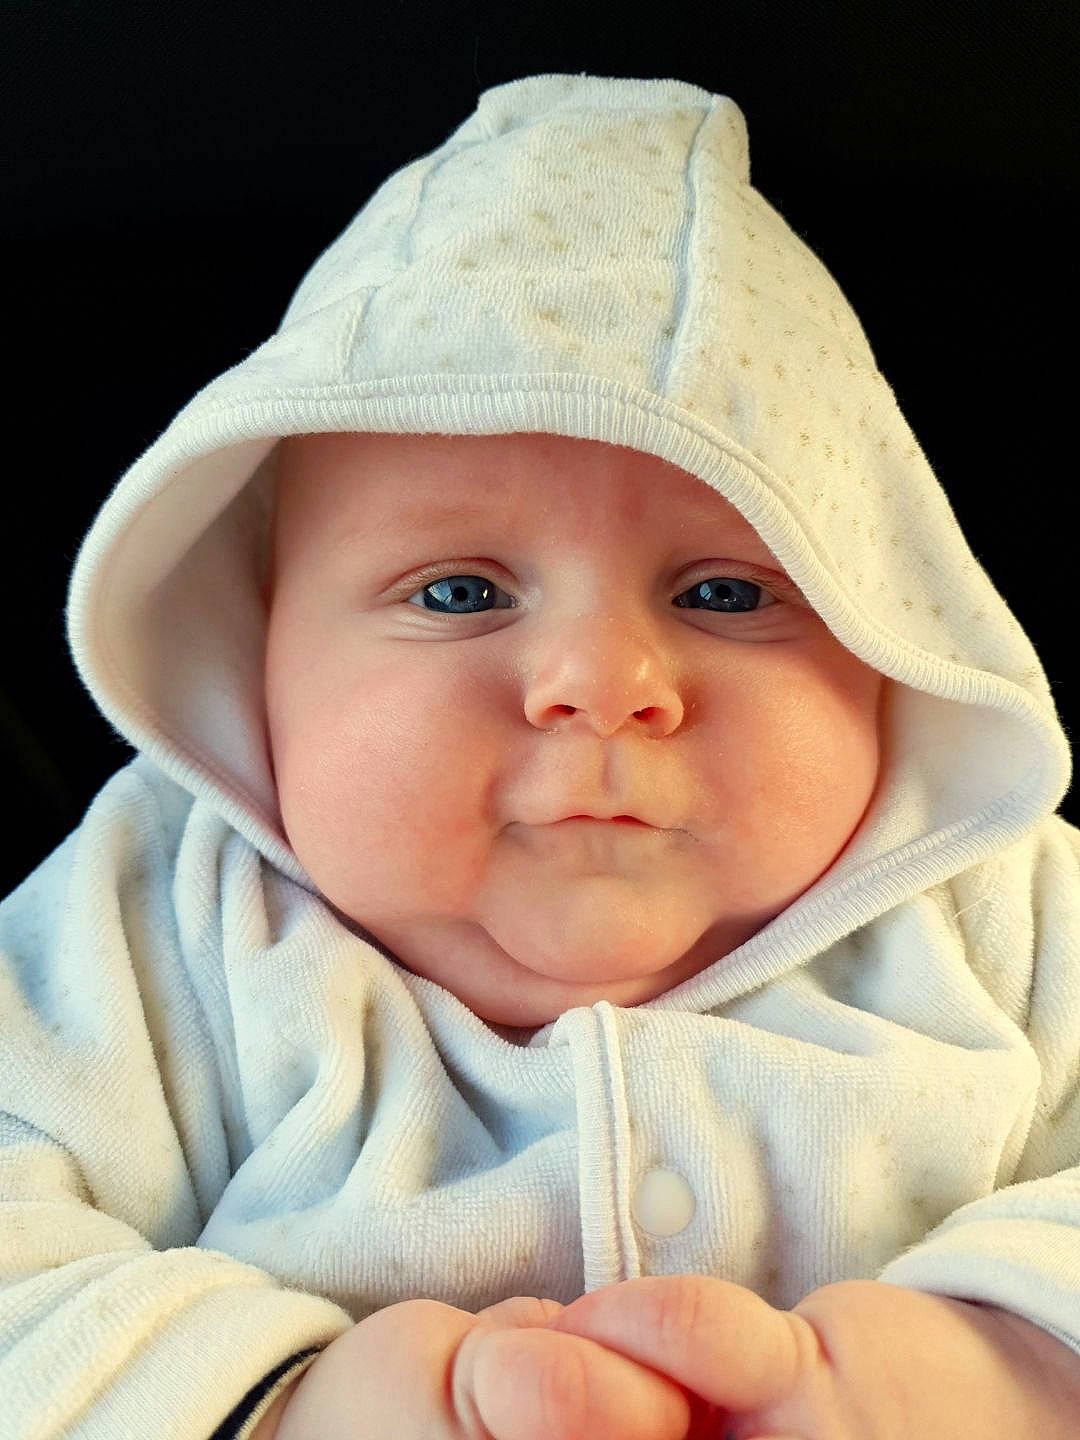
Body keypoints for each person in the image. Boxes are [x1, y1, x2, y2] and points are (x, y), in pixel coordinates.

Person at [1, 72, 1077, 1440]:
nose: (605, 685)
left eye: (726, 594)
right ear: (258, 653)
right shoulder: (169, 915)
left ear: (892, 650)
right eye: (460, 593)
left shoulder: (1004, 909)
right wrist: (301, 1408)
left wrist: (991, 1371)